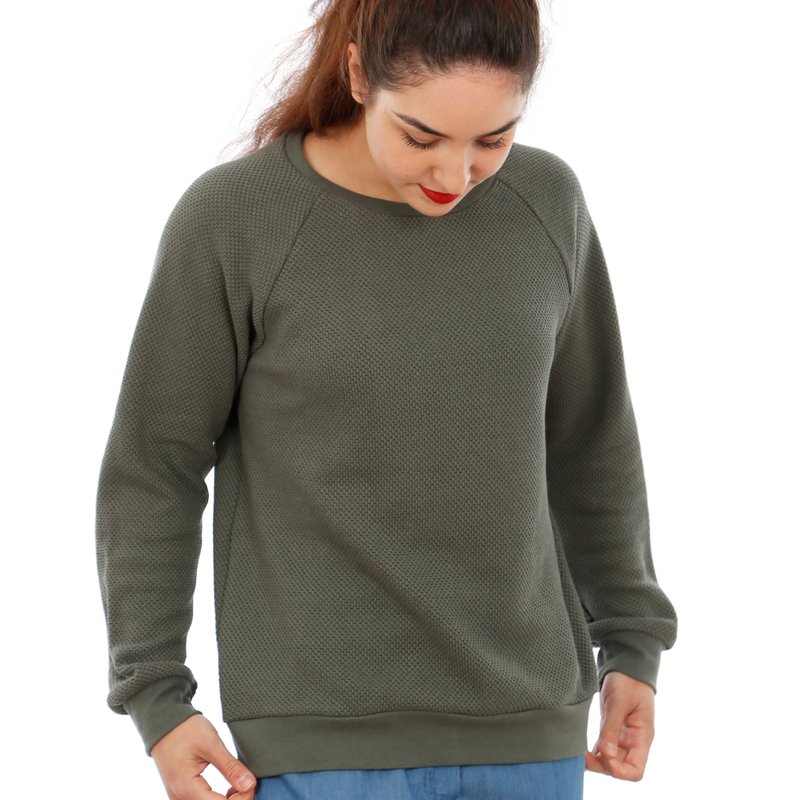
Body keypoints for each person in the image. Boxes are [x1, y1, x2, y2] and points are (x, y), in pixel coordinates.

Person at [95, 1, 678, 798]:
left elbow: (592, 441)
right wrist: (157, 697)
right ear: (359, 74)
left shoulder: (547, 204)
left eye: (493, 140)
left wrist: (632, 644)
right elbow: (152, 468)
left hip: (530, 737)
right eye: (421, 136)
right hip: (315, 748)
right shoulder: (238, 219)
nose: (455, 176)